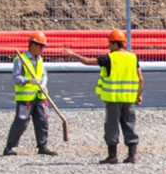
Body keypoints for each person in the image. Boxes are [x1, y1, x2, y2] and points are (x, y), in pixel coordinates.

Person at [59, 29, 142, 163]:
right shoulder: (133, 57)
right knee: (129, 125)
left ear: (115, 44)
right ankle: (132, 155)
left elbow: (87, 61)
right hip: (129, 99)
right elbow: (141, 78)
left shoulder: (109, 58)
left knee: (111, 127)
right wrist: (138, 95)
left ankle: (112, 156)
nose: (108, 46)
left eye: (110, 43)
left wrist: (73, 54)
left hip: (113, 100)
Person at [2, 32, 57, 157]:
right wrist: (27, 81)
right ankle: (9, 147)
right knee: (21, 122)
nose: (42, 49)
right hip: (25, 98)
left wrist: (43, 84)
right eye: (41, 46)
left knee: (42, 121)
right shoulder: (20, 60)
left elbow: (44, 75)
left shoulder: (40, 60)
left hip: (39, 96)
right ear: (33, 45)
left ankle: (42, 146)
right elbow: (16, 77)